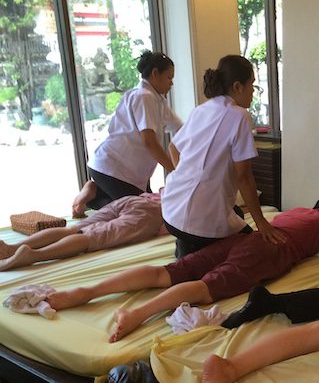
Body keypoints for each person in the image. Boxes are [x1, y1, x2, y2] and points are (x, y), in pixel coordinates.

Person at [45, 208, 319, 342]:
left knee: (167, 273)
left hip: (245, 237)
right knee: (203, 288)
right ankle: (136, 315)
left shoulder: (292, 212)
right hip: (271, 250)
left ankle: (88, 292)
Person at [160, 54, 285, 258]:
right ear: (237, 87)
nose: (254, 91)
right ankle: (193, 246)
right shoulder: (239, 116)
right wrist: (261, 223)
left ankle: (187, 240)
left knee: (235, 213)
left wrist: (186, 176)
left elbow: (174, 148)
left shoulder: (203, 109)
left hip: (170, 210)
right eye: (252, 84)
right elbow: (243, 177)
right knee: (249, 240)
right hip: (195, 224)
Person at [73, 51, 183, 215]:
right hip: (112, 169)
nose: (171, 83)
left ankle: (97, 192)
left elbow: (181, 129)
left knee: (152, 206)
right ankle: (94, 194)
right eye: (169, 77)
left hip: (123, 172)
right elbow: (150, 142)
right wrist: (175, 170)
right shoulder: (144, 97)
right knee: (142, 212)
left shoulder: (157, 100)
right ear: (154, 74)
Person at [0, 194, 166, 271]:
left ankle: (12, 249)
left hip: (135, 199)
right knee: (90, 237)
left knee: (72, 229)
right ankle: (34, 255)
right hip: (153, 212)